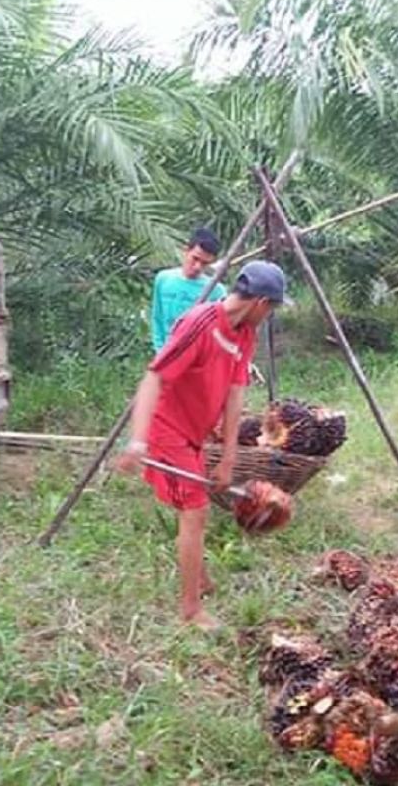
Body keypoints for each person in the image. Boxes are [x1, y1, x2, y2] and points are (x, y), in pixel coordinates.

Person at [115, 261, 290, 630]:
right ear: (260, 302)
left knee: (200, 506)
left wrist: (228, 457)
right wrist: (138, 439)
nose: (270, 315)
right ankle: (191, 611)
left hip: (195, 432)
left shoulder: (245, 334)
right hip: (167, 429)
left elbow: (235, 394)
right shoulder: (199, 323)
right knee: (194, 511)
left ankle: (201, 578)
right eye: (272, 308)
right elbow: (154, 378)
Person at [150, 227, 226, 352]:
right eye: (195, 258)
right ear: (186, 251)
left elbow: (218, 332)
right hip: (164, 356)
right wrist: (159, 350)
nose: (197, 267)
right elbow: (157, 318)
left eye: (204, 263)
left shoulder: (216, 291)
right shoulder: (163, 279)